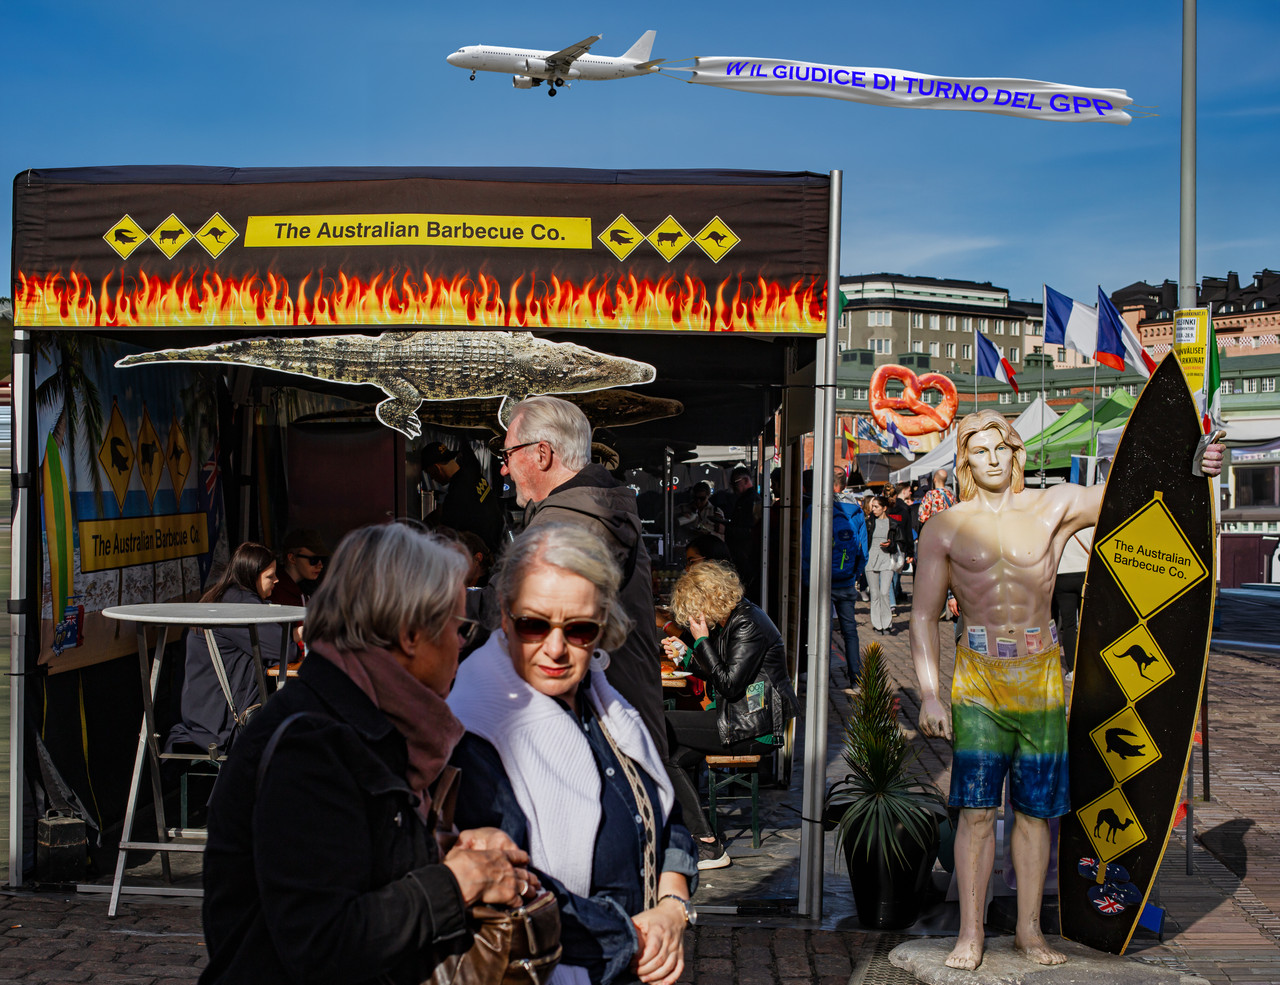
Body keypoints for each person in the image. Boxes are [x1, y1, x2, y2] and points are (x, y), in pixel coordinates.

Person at [909, 409, 1222, 971]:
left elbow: (1131, 490)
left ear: (1016, 453)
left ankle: (1029, 931)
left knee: (1035, 811)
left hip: (1040, 677)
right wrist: (930, 693)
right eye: (980, 451)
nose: (992, 460)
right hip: (978, 680)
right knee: (975, 810)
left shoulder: (1052, 507)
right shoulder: (946, 527)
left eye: (1001, 448)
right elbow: (923, 616)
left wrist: (1194, 463)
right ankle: (971, 934)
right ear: (965, 461)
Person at [201, 523, 537, 985]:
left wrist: (449, 851)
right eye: (458, 628)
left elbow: (363, 862)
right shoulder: (312, 744)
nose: (461, 645)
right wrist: (456, 883)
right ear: (411, 634)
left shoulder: (364, 717)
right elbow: (322, 941)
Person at [449, 523, 696, 985]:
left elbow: (664, 814)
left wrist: (673, 904)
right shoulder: (476, 727)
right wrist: (636, 938)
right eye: (533, 624)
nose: (556, 649)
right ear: (504, 613)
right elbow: (510, 893)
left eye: (579, 629)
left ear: (602, 624)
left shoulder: (603, 700)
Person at [499, 395, 666, 757]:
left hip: (601, 734)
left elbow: (528, 616)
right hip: (614, 721)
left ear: (542, 454)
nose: (504, 469)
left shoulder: (567, 522)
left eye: (508, 454)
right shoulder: (587, 507)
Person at [661, 560, 800, 872]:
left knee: (661, 724)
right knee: (668, 755)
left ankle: (702, 841)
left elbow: (728, 683)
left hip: (755, 727)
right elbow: (720, 672)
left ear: (710, 598)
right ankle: (706, 843)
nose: (695, 618)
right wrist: (686, 655)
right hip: (738, 719)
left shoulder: (748, 622)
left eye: (695, 610)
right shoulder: (733, 620)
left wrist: (700, 641)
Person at [166, 543, 294, 754]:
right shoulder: (242, 605)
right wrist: (297, 635)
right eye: (270, 576)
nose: (276, 581)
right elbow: (285, 651)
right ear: (252, 575)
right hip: (224, 725)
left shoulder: (221, 597)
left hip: (202, 716)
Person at [802, 469, 869, 679]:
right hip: (846, 581)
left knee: (823, 630)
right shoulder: (856, 510)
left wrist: (807, 578)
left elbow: (808, 547)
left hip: (823, 581)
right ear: (844, 485)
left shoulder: (817, 508)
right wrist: (854, 574)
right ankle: (855, 676)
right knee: (850, 631)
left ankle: (821, 676)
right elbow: (863, 550)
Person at [422, 439, 505, 553]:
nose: (432, 478)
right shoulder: (472, 474)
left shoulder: (457, 493)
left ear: (436, 468)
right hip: (497, 546)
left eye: (429, 473)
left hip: (481, 554)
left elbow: (446, 535)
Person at [864, 496, 908, 635]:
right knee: (875, 593)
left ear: (884, 508)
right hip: (871, 559)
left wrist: (891, 544)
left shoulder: (893, 523)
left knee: (884, 592)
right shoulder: (868, 523)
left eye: (876, 506)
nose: (873, 509)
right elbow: (863, 540)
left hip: (887, 559)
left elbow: (901, 542)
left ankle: (887, 624)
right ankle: (877, 625)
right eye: (872, 506)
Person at [724, 465, 762, 602]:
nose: (734, 487)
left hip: (747, 554)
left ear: (746, 480)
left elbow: (751, 530)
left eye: (736, 482)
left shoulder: (753, 500)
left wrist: (727, 529)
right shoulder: (742, 499)